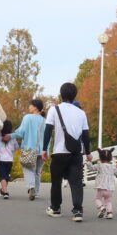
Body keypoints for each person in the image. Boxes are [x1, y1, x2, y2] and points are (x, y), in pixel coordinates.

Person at [42, 82, 92, 222]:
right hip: (76, 152)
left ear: (61, 94)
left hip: (59, 152)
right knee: (76, 182)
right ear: (75, 95)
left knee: (56, 181)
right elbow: (86, 135)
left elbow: (48, 131)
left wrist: (44, 149)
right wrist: (88, 152)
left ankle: (55, 208)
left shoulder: (54, 110)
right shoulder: (81, 113)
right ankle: (78, 211)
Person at [12, 98, 47, 201]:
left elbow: (21, 132)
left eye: (30, 105)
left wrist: (11, 135)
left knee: (28, 168)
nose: (29, 107)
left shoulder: (28, 117)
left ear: (35, 107)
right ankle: (36, 192)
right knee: (38, 172)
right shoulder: (45, 121)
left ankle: (31, 187)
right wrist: (46, 151)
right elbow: (48, 138)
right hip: (42, 150)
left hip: (30, 149)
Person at [86, 148, 117, 219]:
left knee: (97, 199)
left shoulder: (99, 165)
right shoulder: (113, 167)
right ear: (111, 158)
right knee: (108, 201)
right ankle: (109, 213)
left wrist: (89, 162)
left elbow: (91, 168)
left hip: (101, 187)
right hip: (110, 189)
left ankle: (101, 207)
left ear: (100, 158)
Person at [0, 120, 18, 199]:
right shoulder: (13, 138)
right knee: (6, 176)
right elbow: (16, 148)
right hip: (9, 160)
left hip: (0, 159)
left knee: (3, 176)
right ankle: (4, 190)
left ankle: (5, 192)